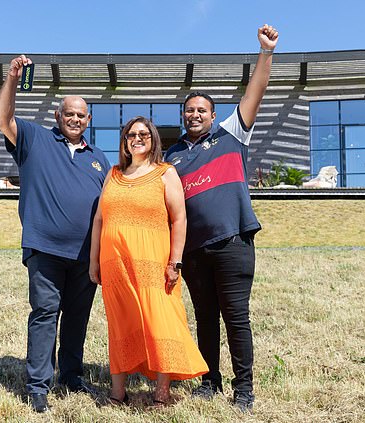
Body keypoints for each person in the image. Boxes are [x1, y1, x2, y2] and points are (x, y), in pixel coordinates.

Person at [164, 24, 279, 412]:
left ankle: (243, 389)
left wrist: (265, 53)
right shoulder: (172, 156)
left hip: (233, 243)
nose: (195, 114)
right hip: (194, 252)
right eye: (189, 110)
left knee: (236, 319)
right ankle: (210, 381)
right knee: (206, 319)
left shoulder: (232, 134)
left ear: (213, 115)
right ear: (183, 116)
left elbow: (255, 93)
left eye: (202, 110)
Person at [0, 55, 110, 413]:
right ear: (58, 117)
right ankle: (38, 386)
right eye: (69, 113)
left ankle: (71, 375)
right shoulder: (34, 139)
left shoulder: (100, 159)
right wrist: (13, 78)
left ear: (88, 120)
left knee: (77, 317)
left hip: (85, 255)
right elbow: (4, 118)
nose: (75, 119)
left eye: (81, 115)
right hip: (45, 248)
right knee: (46, 312)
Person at [89, 117, 208, 406]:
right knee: (120, 324)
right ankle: (118, 394)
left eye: (144, 134)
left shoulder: (165, 173)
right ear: (125, 141)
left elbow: (179, 218)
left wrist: (175, 262)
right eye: (131, 134)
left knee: (160, 322)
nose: (137, 138)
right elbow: (99, 219)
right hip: (115, 264)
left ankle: (161, 393)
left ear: (154, 139)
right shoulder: (113, 173)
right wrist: (94, 262)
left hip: (154, 263)